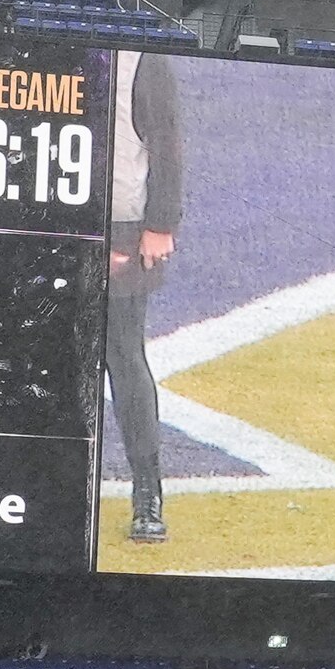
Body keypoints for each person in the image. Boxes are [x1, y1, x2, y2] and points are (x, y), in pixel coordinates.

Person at [101, 45, 186, 543]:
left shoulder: (142, 59)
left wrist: (160, 222)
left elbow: (167, 141)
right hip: (52, 219)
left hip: (119, 224)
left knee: (123, 355)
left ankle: (147, 491)